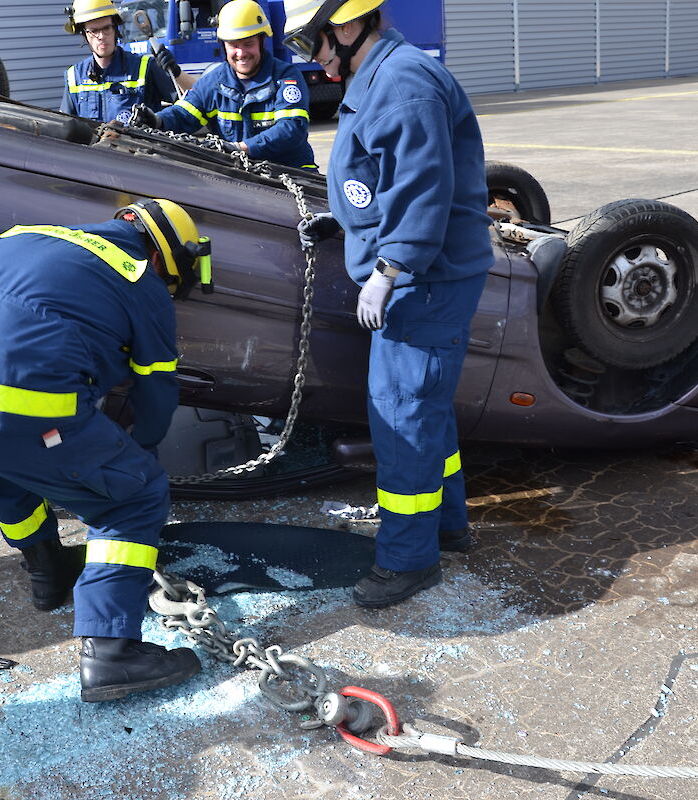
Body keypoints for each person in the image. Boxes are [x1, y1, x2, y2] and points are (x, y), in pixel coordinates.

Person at [0, 200, 212, 702]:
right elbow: (157, 391)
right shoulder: (138, 276)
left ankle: (46, 573)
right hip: (3, 402)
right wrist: (136, 457)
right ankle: (113, 651)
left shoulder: (28, 235)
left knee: (3, 460)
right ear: (168, 256)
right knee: (133, 495)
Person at [286, 0, 494, 608]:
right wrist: (348, 222)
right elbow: (381, 178)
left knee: (401, 415)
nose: (313, 58)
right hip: (421, 271)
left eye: (313, 42)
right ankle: (448, 526)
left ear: (347, 27)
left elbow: (422, 188)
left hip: (422, 280)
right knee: (424, 408)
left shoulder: (402, 84)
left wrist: (390, 267)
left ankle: (408, 558)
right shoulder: (376, 77)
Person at [134, 0, 317, 170]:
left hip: (297, 176)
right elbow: (183, 114)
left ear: (262, 42)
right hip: (244, 178)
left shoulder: (286, 77)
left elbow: (291, 129)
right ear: (223, 46)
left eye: (248, 44)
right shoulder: (214, 83)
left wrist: (240, 148)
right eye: (233, 45)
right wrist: (157, 120)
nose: (241, 52)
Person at [60, 0, 195, 125]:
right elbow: (65, 126)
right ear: (84, 34)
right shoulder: (74, 76)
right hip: (93, 151)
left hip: (139, 150)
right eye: (94, 31)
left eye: (106, 28)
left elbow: (196, 101)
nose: (101, 36)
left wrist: (176, 72)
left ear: (115, 28)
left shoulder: (144, 67)